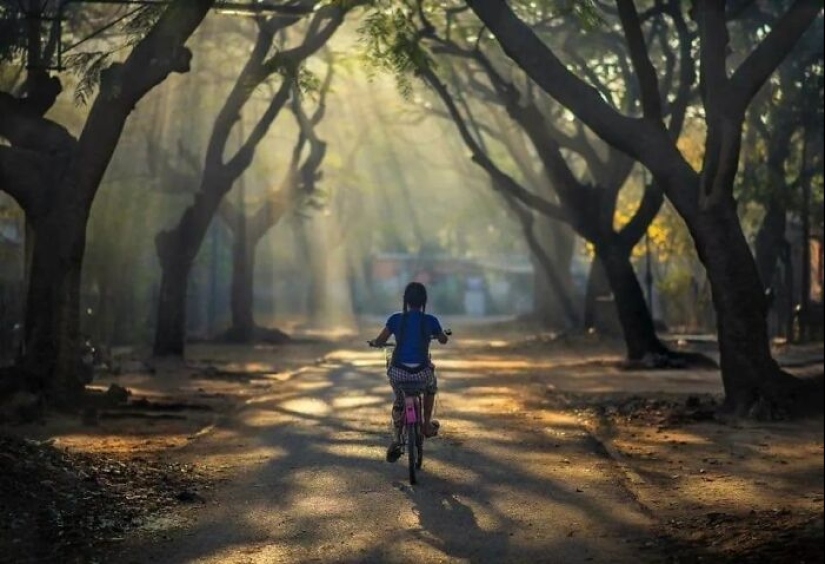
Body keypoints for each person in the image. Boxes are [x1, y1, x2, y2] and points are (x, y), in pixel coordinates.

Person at [370, 282, 449, 463]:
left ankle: (398, 422)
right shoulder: (431, 321)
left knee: (394, 376)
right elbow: (443, 340)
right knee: (431, 386)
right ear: (424, 301)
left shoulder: (395, 319)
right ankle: (426, 424)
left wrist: (376, 343)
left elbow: (381, 340)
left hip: (400, 374)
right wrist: (441, 334)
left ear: (405, 301)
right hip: (421, 374)